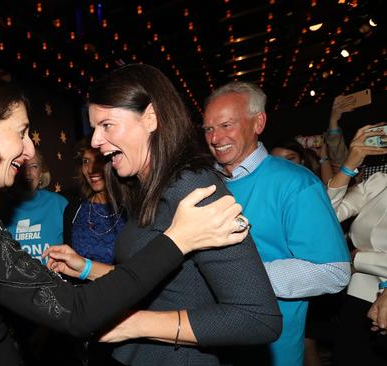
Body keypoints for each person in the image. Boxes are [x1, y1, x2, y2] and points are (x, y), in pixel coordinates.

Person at [0, 72, 254, 366]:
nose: (30, 149)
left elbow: (254, 316)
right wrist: (179, 240)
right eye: (21, 132)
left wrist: (86, 270)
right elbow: (74, 311)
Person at [45, 64, 281, 366]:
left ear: (151, 118)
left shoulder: (192, 186)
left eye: (106, 125)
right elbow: (159, 280)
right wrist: (85, 268)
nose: (94, 141)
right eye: (94, 128)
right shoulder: (145, 187)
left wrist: (133, 324)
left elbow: (258, 318)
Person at [201, 81, 351, 366]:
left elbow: (334, 271)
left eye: (226, 125)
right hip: (210, 345)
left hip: (269, 350)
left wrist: (237, 277)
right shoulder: (203, 182)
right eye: (208, 128)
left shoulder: (296, 183)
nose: (215, 137)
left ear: (259, 122)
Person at [327, 123, 387, 365]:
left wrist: (358, 259)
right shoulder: (379, 182)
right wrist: (349, 165)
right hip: (359, 297)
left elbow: (358, 258)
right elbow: (323, 216)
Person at [0, 149, 68, 264]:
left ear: (41, 172)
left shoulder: (59, 204)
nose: (27, 172)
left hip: (53, 279)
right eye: (22, 166)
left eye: (34, 166)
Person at [63, 138, 125, 264]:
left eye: (99, 160)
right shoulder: (74, 209)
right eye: (86, 161)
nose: (91, 169)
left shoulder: (133, 208)